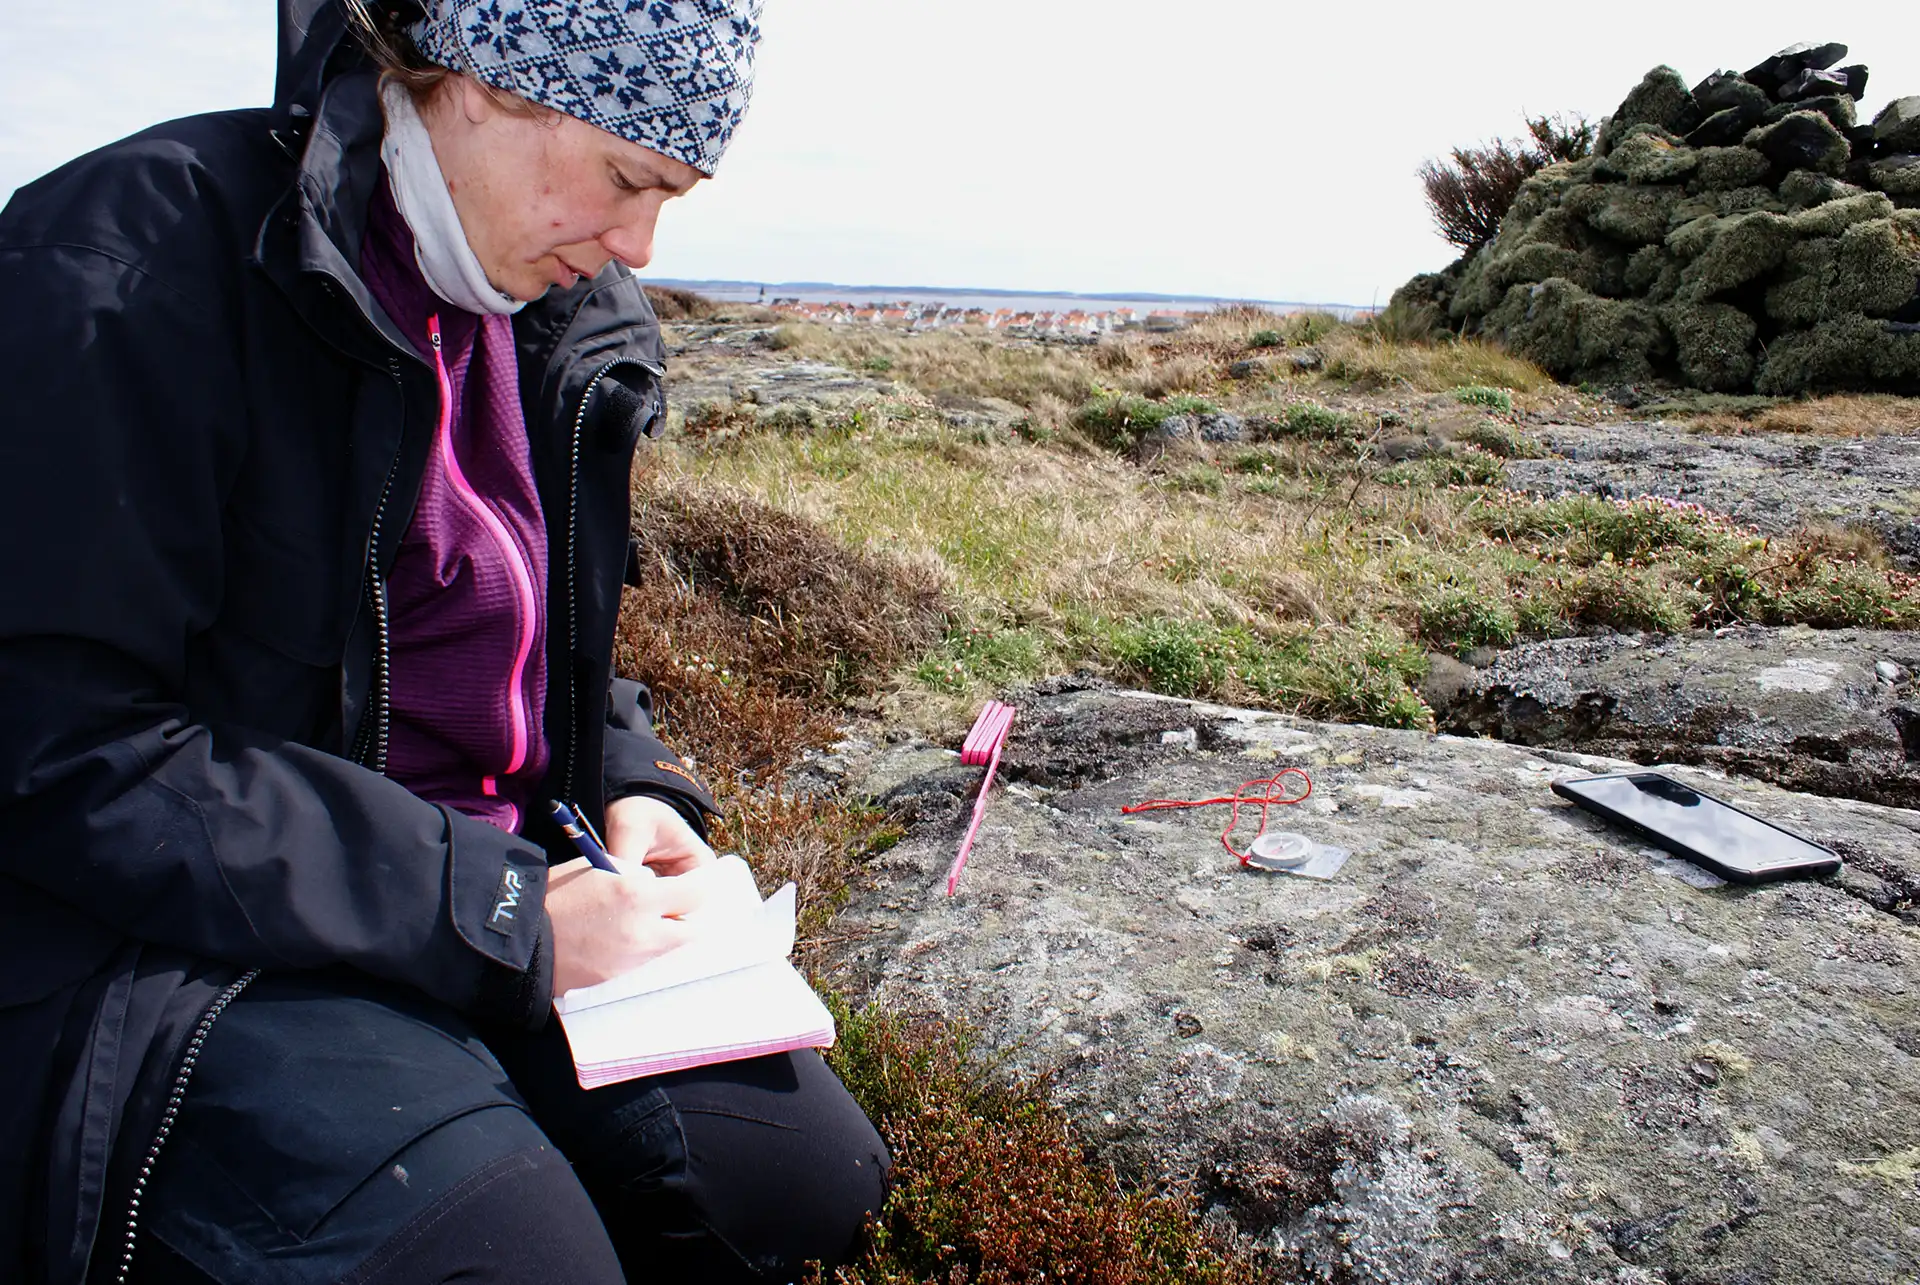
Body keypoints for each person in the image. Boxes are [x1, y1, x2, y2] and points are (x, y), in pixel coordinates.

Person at [0, 2, 889, 1282]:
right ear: (477, 82)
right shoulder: (126, 264)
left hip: (472, 888)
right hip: (187, 938)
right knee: (507, 1259)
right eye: (629, 178)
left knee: (795, 1175)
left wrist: (629, 784)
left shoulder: (537, 302)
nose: (638, 244)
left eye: (673, 195)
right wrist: (502, 908)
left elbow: (525, 626)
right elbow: (60, 746)